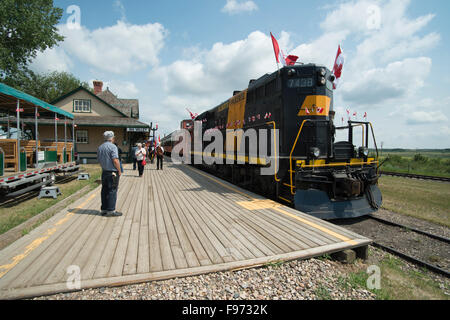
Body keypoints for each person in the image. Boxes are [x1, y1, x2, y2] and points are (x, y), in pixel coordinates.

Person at [97, 131, 122, 217]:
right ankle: (111, 210)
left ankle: (104, 209)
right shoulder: (113, 147)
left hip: (104, 171)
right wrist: (119, 170)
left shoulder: (100, 147)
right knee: (112, 190)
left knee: (104, 190)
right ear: (112, 138)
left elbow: (99, 160)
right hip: (112, 172)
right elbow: (115, 160)